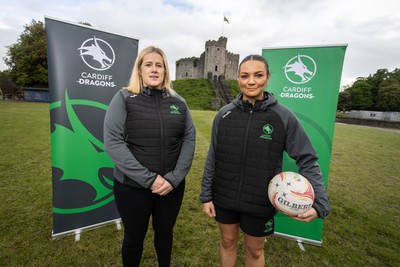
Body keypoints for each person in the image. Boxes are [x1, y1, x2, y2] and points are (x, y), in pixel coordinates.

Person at [200, 54, 331, 266]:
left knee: (254, 251)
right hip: (224, 195)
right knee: (227, 241)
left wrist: (320, 202)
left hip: (260, 200)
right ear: (238, 79)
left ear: (268, 78)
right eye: (245, 76)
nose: (251, 81)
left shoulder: (283, 116)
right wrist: (206, 195)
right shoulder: (224, 114)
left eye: (258, 75)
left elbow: (307, 158)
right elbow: (213, 156)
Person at [104, 46, 196, 267]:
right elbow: (113, 142)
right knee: (134, 238)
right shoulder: (124, 97)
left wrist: (174, 179)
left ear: (165, 71)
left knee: (165, 234)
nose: (154, 69)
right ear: (140, 69)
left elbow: (189, 140)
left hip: (171, 188)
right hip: (132, 188)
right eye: (149, 64)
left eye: (159, 65)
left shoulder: (179, 102)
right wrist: (149, 179)